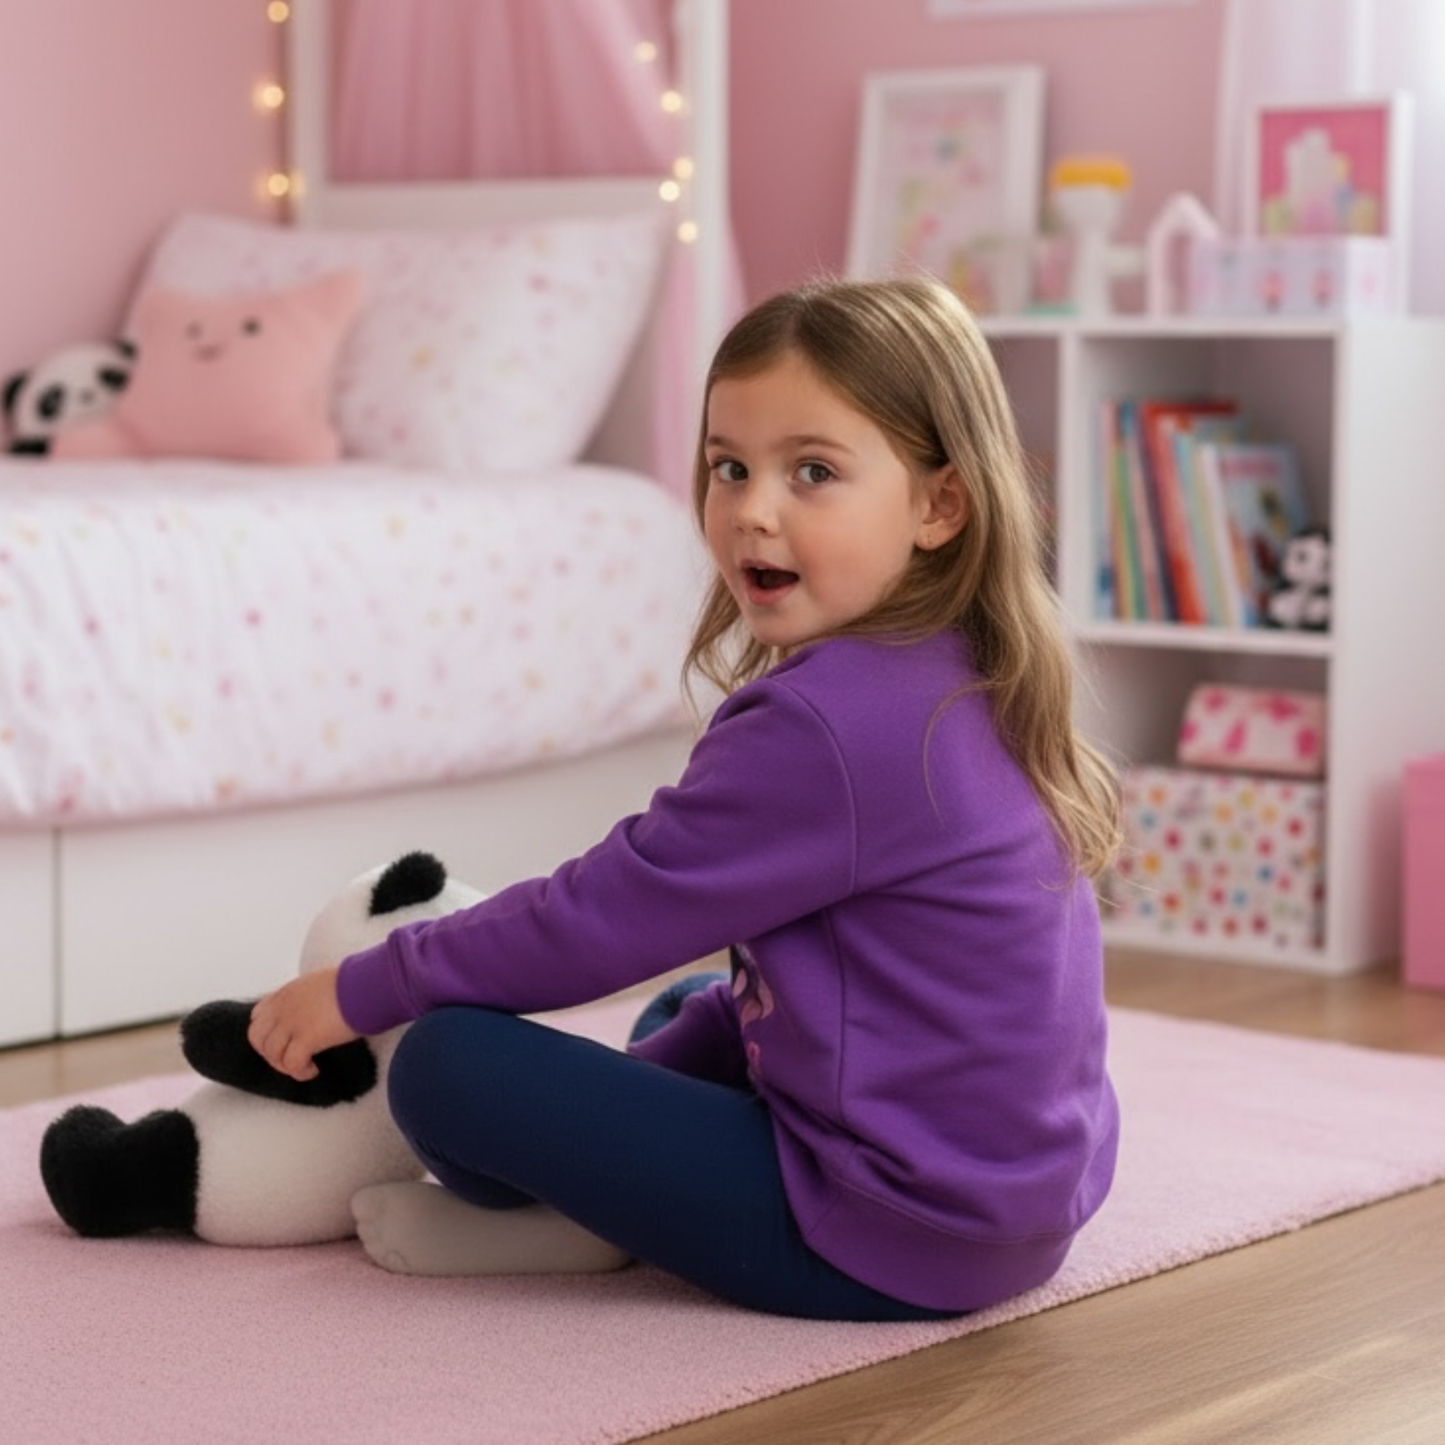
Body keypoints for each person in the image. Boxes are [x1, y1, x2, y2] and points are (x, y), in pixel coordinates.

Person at [248, 275, 1122, 1322]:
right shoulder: (966, 665)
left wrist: (366, 985)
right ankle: (612, 1195)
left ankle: (586, 1223)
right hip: (1015, 1209)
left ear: (939, 503)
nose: (753, 509)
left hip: (884, 1229)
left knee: (448, 1062)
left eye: (812, 472)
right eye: (727, 467)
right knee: (702, 1008)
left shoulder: (825, 726)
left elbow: (596, 920)